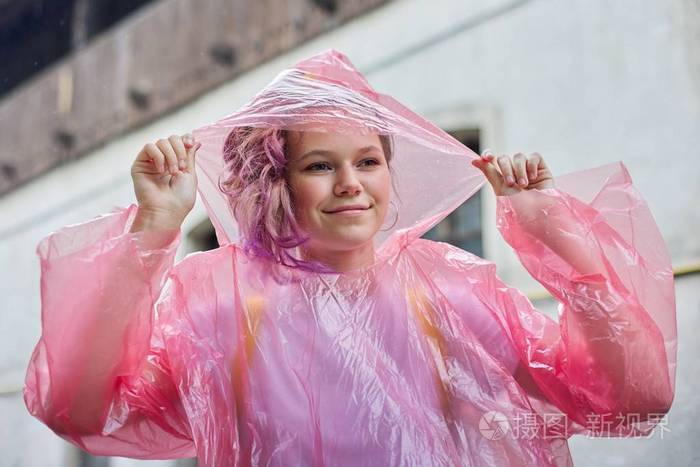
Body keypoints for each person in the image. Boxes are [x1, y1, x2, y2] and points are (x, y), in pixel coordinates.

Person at [24, 50, 676, 467]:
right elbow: (83, 406)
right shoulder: (216, 306)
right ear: (275, 180)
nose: (350, 184)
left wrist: (554, 231)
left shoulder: (448, 289)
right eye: (318, 165)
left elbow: (625, 396)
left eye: (368, 161)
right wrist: (156, 226)